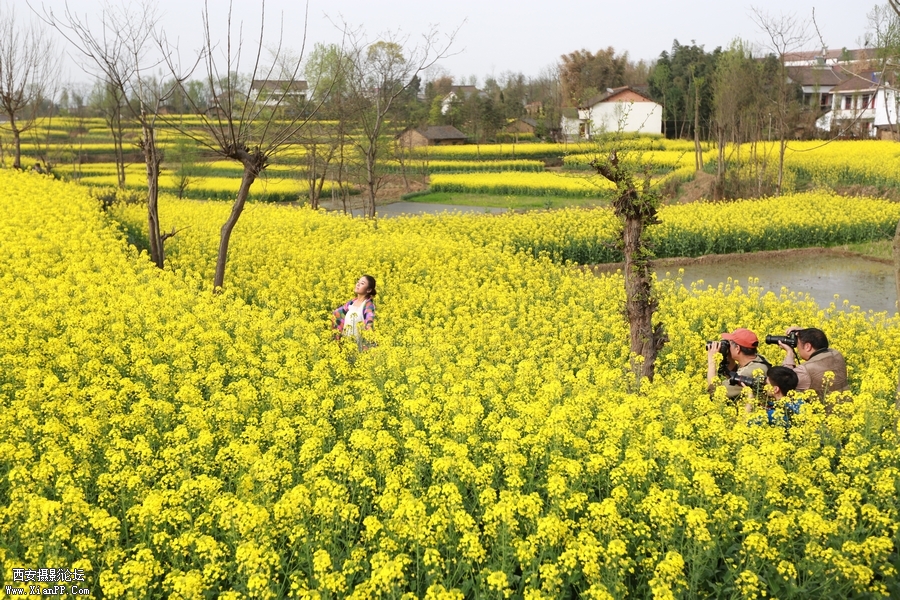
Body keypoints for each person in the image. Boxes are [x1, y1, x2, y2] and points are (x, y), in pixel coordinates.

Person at [778, 327, 849, 400]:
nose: (797, 348)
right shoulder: (836, 354)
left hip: (820, 410)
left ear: (808, 346)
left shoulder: (805, 370)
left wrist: (790, 353)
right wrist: (804, 333)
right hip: (847, 408)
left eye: (797, 344)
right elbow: (818, 340)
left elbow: (784, 383)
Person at [707, 328, 770, 400]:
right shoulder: (759, 360)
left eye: (729, 344)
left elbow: (715, 392)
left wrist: (712, 361)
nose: (728, 346)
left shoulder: (751, 372)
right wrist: (729, 357)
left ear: (737, 348)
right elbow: (735, 374)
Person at [332, 275, 376, 347]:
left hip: (359, 346)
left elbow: (369, 319)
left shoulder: (368, 305)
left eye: (362, 283)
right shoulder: (352, 302)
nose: (358, 284)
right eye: (358, 282)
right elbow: (337, 314)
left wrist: (371, 335)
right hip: (346, 345)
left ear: (369, 290)